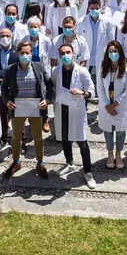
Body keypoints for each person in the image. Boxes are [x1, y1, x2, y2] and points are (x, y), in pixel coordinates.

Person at [3, 39, 53, 179]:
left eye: (27, 53)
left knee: (38, 137)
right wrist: (7, 101)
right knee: (16, 137)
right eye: (22, 53)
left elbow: (49, 84)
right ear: (18, 53)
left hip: (35, 107)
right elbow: (4, 87)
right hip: (17, 108)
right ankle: (16, 162)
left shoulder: (39, 67)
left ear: (31, 53)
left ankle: (40, 163)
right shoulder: (11, 69)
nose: (25, 55)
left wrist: (47, 100)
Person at [51, 43, 96, 188]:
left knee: (82, 142)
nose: (65, 56)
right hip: (62, 109)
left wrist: (81, 92)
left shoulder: (82, 71)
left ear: (73, 53)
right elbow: (53, 86)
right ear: (59, 55)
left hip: (76, 111)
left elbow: (92, 91)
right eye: (62, 53)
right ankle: (69, 163)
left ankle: (88, 172)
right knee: (65, 140)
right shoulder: (55, 71)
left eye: (68, 52)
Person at [97, 40, 127, 169]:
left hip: (120, 105)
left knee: (120, 131)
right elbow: (100, 88)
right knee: (108, 131)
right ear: (107, 53)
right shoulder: (102, 67)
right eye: (111, 51)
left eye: (116, 51)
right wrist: (107, 105)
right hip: (106, 105)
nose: (113, 54)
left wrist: (114, 105)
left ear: (120, 52)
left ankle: (118, 153)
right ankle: (110, 153)